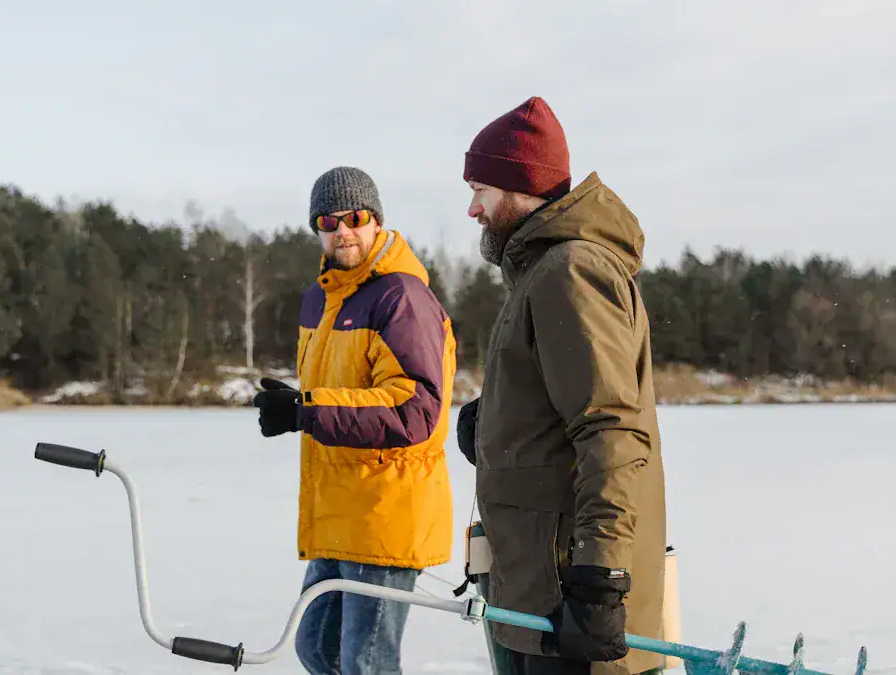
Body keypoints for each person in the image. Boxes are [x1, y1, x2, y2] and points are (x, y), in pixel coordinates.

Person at [455, 97, 667, 675]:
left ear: (521, 187)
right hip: (535, 594)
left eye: (481, 189)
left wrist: (601, 581)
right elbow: (562, 408)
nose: (473, 208)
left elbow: (611, 430)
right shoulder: (539, 274)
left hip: (569, 597)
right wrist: (497, 424)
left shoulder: (570, 272)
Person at [252, 166, 458, 675]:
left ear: (376, 221)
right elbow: (348, 386)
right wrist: (297, 403)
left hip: (385, 508)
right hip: (340, 509)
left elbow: (413, 408)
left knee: (366, 664)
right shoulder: (320, 299)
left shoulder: (400, 297)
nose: (342, 230)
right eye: (328, 220)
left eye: (355, 217)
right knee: (317, 649)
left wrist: (309, 410)